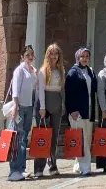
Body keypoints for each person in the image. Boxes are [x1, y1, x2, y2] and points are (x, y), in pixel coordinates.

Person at [34, 42, 65, 177]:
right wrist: (42, 107)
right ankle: (38, 168)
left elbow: (61, 90)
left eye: (56, 53)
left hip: (56, 104)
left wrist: (62, 105)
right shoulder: (43, 71)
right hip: (44, 105)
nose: (54, 56)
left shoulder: (61, 71)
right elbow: (40, 90)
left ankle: (52, 165)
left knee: (54, 137)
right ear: (47, 55)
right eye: (51, 53)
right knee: (42, 137)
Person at [64, 47, 96, 176]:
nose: (85, 59)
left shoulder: (90, 71)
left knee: (86, 139)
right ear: (78, 57)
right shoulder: (73, 72)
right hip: (77, 111)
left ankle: (78, 165)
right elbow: (69, 93)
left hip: (88, 109)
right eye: (82, 56)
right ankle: (86, 167)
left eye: (87, 56)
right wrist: (72, 110)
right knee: (81, 139)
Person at [7, 46, 37, 182]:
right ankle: (14, 170)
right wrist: (15, 106)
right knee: (17, 139)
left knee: (24, 139)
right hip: (20, 107)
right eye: (27, 55)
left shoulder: (32, 71)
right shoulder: (19, 70)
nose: (30, 57)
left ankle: (22, 169)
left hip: (29, 107)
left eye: (31, 55)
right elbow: (15, 90)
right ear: (22, 57)